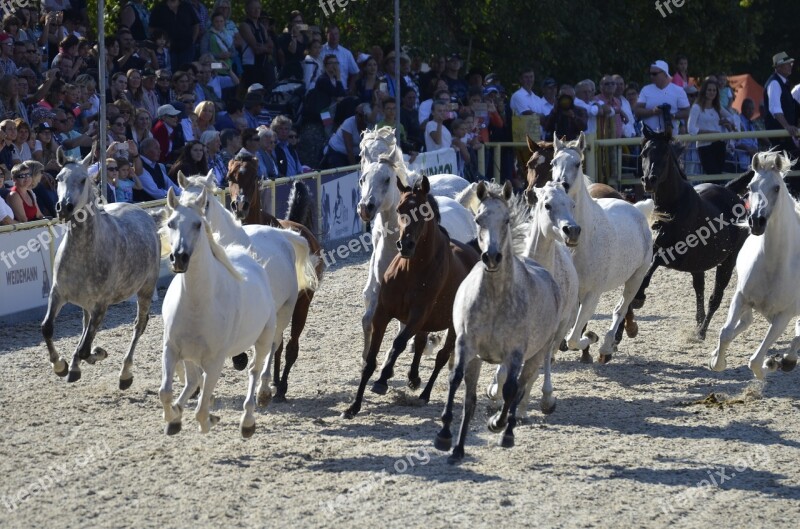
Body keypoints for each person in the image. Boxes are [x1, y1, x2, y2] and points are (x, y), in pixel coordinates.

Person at [687, 76, 738, 176]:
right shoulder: (696, 107)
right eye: (709, 90)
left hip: (719, 144)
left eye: (714, 90)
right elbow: (691, 129)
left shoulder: (717, 106)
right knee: (712, 175)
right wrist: (711, 133)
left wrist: (725, 121)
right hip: (704, 146)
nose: (712, 92)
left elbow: (732, 117)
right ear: (704, 91)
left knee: (718, 176)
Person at [634, 59, 690, 132]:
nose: (651, 76)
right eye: (650, 74)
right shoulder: (646, 90)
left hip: (670, 136)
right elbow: (637, 110)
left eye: (654, 74)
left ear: (664, 73)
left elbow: (687, 112)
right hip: (650, 138)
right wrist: (652, 112)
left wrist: (672, 116)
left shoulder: (678, 90)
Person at [764, 51, 799, 163]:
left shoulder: (782, 83)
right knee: (791, 167)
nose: (790, 66)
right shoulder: (775, 83)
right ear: (779, 67)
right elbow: (775, 109)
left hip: (784, 135)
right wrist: (787, 126)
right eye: (787, 63)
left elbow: (794, 106)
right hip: (780, 136)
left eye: (791, 64)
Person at [321, 102, 370, 168]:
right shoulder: (348, 123)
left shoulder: (371, 125)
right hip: (337, 151)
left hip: (357, 154)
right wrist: (354, 169)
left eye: (361, 115)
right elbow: (349, 150)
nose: (357, 116)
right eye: (356, 113)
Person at [321, 24, 359, 91]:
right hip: (323, 92)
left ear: (339, 35)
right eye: (331, 34)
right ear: (326, 35)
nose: (334, 37)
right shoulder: (319, 51)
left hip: (341, 92)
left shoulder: (346, 53)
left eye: (336, 34)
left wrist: (350, 89)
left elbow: (355, 73)